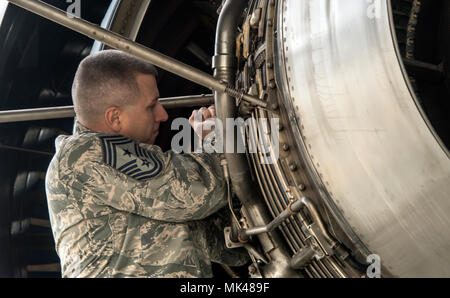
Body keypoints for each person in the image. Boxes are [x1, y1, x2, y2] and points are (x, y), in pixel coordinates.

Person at [45, 49, 248, 278]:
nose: (163, 115)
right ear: (114, 118)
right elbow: (197, 193)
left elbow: (225, 244)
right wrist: (214, 138)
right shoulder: (82, 155)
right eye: (151, 106)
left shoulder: (130, 177)